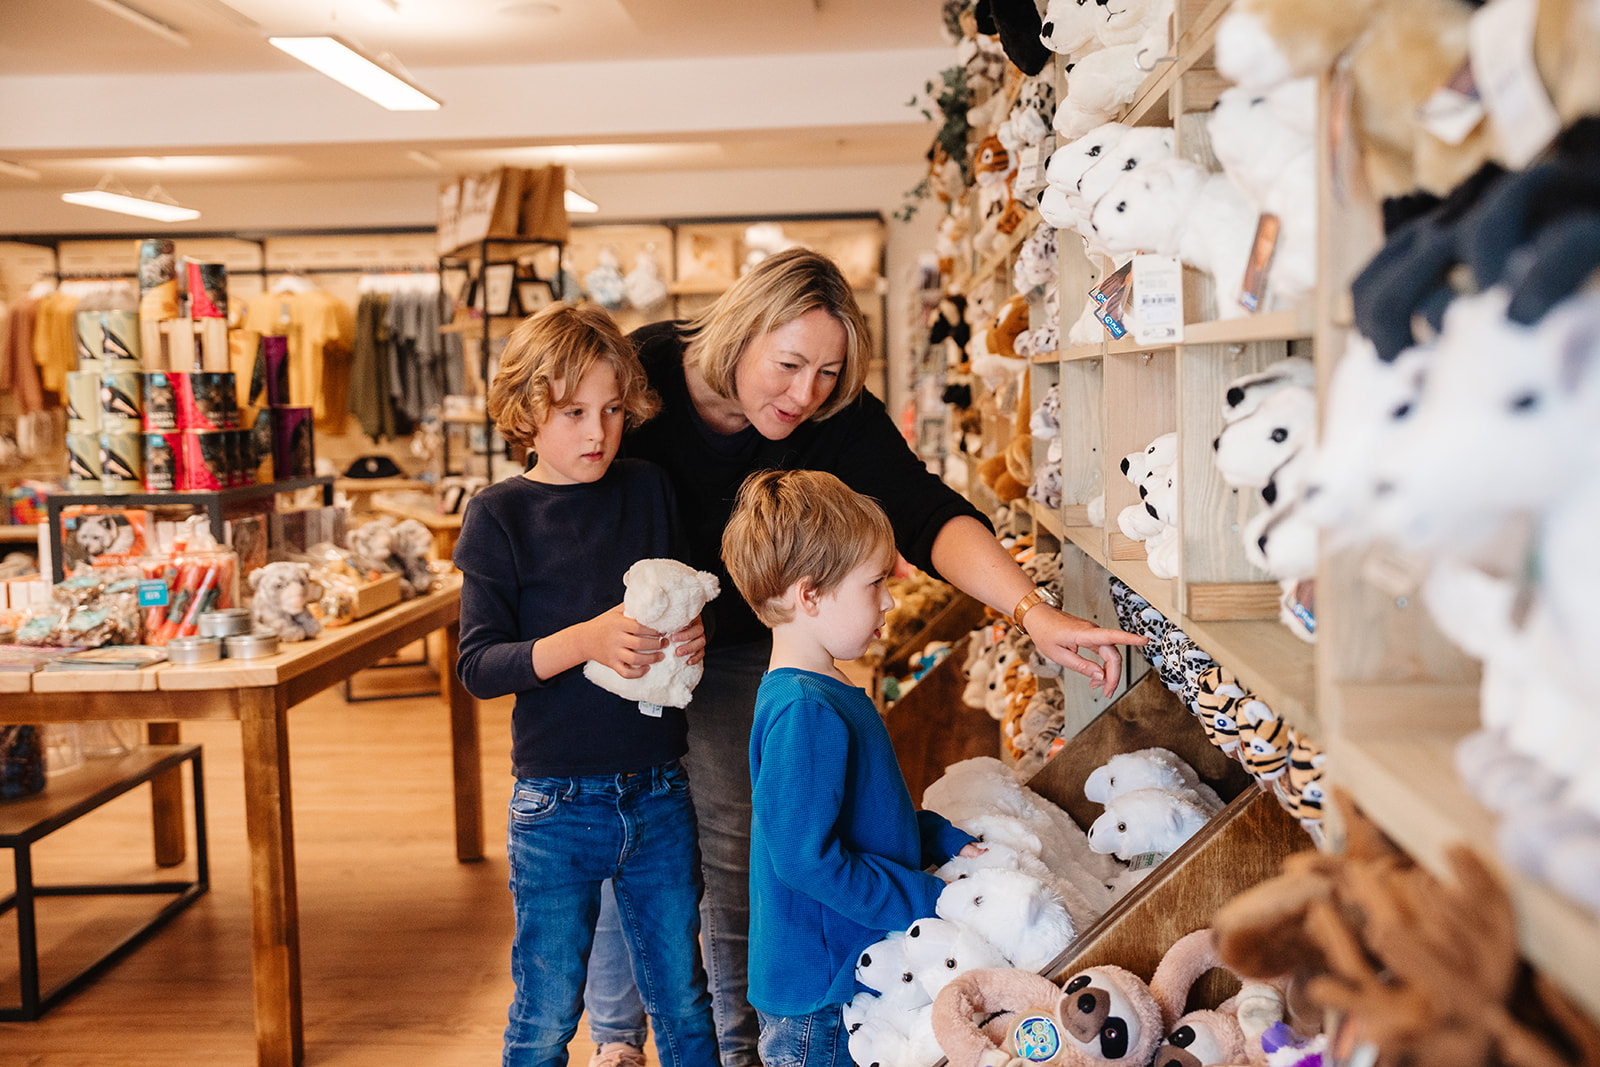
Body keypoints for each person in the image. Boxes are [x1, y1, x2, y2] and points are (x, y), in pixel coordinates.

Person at [590, 247, 1147, 1067]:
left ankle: (738, 1046)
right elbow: (569, 488)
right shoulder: (643, 377)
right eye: (789, 365)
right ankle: (620, 1035)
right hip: (636, 641)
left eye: (828, 371)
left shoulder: (834, 417)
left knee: (740, 852)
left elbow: (924, 510)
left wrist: (1031, 611)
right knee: (635, 828)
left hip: (757, 648)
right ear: (740, 331)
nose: (805, 394)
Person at [453, 302, 718, 1067]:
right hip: (555, 802)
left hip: (660, 787)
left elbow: (676, 596)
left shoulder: (649, 487)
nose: (597, 432)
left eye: (611, 410)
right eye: (573, 412)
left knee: (683, 995)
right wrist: (584, 641)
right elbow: (479, 665)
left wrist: (691, 633)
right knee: (545, 1008)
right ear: (526, 412)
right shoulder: (498, 514)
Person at [721, 468, 985, 1067]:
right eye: (874, 583)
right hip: (824, 998)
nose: (889, 599)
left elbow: (863, 819)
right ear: (810, 595)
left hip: (841, 975)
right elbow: (805, 860)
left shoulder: (819, 690)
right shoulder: (806, 710)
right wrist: (926, 897)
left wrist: (937, 837)